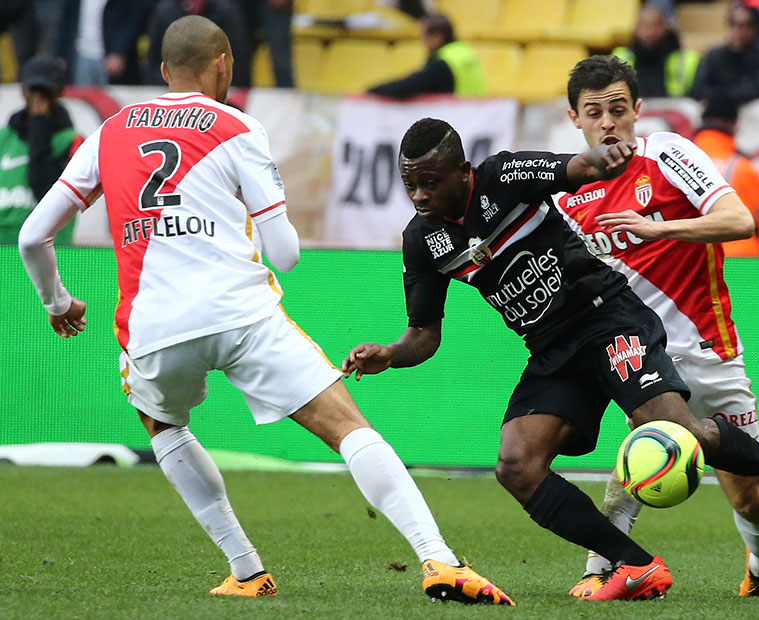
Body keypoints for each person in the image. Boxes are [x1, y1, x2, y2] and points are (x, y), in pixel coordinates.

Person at [18, 15, 513, 605]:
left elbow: (32, 236)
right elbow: (286, 254)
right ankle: (439, 560)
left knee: (163, 425)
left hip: (154, 326)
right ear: (224, 63)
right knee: (347, 427)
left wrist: (58, 302)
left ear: (163, 70)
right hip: (241, 313)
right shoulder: (238, 127)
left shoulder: (108, 133)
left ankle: (246, 570)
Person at [341, 115, 759, 601]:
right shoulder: (422, 240)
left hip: (607, 318)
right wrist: (390, 353)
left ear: (462, 170)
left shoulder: (503, 176)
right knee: (516, 466)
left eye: (430, 182)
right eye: (410, 185)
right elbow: (424, 334)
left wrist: (603, 158)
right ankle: (636, 565)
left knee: (679, 431)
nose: (419, 195)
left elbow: (575, 167)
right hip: (552, 350)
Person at [555, 54, 759, 601]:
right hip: (639, 354)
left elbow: (740, 220)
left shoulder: (667, 154)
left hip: (708, 349)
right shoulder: (565, 196)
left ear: (637, 109)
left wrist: (656, 228)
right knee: (635, 464)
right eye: (594, 113)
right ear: (575, 119)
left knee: (749, 496)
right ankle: (599, 570)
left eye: (618, 109)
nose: (608, 123)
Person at [0, 56, 82, 245]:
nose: (38, 98)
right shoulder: (3, 137)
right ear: (22, 90)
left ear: (59, 94)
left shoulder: (72, 141)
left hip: (48, 248)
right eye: (34, 90)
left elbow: (46, 193)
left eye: (45, 92)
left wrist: (39, 126)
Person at [692, 96, 759, 257]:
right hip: (739, 257)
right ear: (734, 124)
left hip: (691, 256)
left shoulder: (675, 162)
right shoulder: (742, 167)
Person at [367, 13, 487, 99]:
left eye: (424, 36)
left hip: (455, 115)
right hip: (474, 114)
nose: (422, 42)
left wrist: (373, 91)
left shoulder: (442, 63)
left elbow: (411, 85)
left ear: (437, 37)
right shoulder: (465, 51)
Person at [691, 4, 759, 105]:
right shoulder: (714, 55)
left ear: (753, 28)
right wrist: (727, 95)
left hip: (751, 108)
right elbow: (698, 89)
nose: (737, 30)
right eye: (732, 24)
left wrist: (721, 94)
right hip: (720, 107)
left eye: (743, 25)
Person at [611, 4, 700, 98]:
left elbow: (698, 96)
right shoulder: (620, 58)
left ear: (666, 27)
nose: (648, 32)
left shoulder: (688, 59)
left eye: (655, 26)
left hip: (674, 106)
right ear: (635, 29)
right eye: (642, 26)